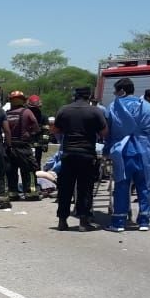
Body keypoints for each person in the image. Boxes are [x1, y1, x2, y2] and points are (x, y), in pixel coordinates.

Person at [105, 78, 150, 231]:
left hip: (123, 151)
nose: (115, 94)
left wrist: (107, 149)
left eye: (116, 91)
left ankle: (119, 222)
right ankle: (144, 221)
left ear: (121, 91)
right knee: (144, 186)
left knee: (122, 186)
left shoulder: (115, 106)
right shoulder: (147, 106)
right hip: (144, 151)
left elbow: (108, 131)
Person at [53, 86, 106, 231]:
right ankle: (83, 222)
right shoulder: (95, 111)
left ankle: (62, 221)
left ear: (75, 95)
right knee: (85, 189)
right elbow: (104, 132)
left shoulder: (64, 110)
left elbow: (56, 130)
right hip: (86, 154)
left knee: (65, 188)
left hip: (68, 153)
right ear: (89, 96)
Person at [5, 90, 41, 200]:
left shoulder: (7, 114)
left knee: (11, 171)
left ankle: (13, 193)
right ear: (23, 100)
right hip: (23, 146)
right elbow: (35, 126)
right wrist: (32, 133)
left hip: (10, 147)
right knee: (29, 169)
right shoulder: (27, 112)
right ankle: (31, 193)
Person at [27, 94, 50, 169]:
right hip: (27, 144)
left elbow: (46, 131)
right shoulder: (25, 116)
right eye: (33, 108)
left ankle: (35, 178)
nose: (34, 110)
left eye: (36, 108)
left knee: (37, 163)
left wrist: (45, 143)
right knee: (26, 164)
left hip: (38, 144)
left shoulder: (43, 117)